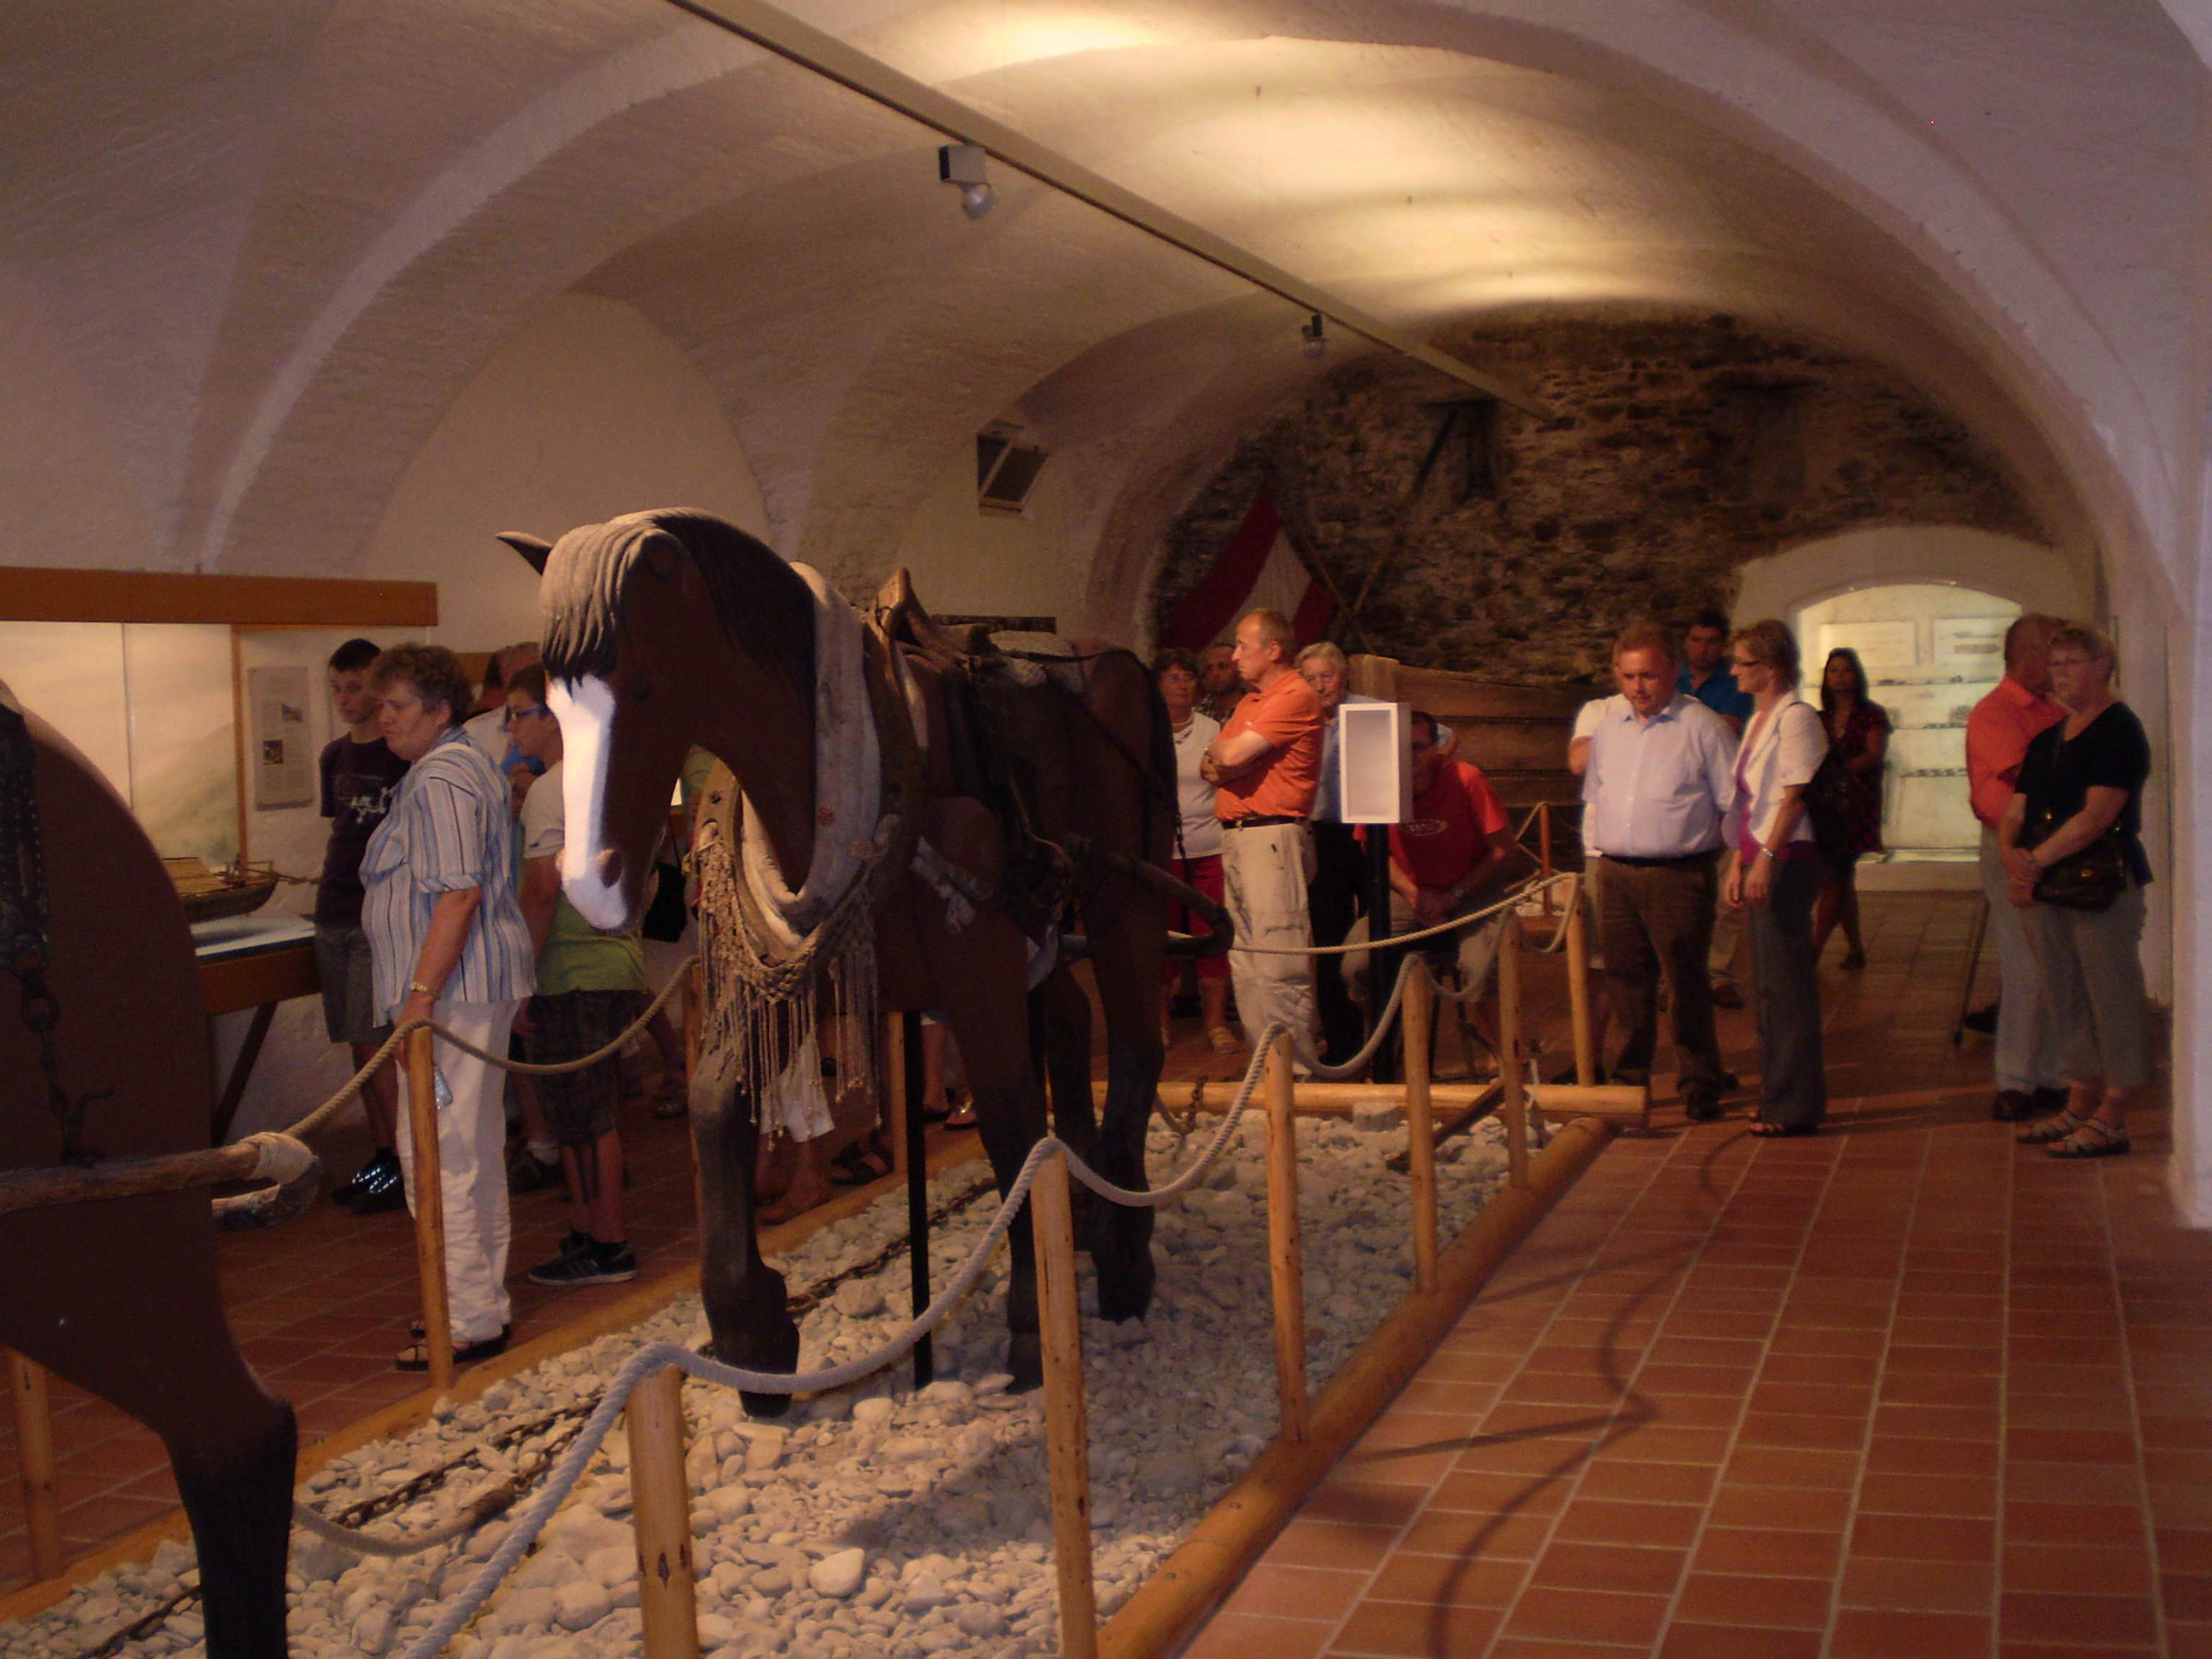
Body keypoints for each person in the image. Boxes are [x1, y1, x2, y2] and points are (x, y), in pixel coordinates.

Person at [361, 644, 536, 1370]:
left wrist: (419, 998)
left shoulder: (442, 778)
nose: (384, 720)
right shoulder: (455, 769)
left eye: (396, 706)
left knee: (437, 1153)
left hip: (454, 994)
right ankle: (478, 1304)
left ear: (438, 709)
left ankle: (463, 1316)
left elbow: (457, 894)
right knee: (468, 1149)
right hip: (467, 989)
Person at [505, 666, 644, 1287]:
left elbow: (539, 890)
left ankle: (608, 1242)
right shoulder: (613, 774)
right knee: (583, 1110)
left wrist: (522, 978)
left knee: (584, 1116)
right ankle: (592, 1229)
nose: (511, 726)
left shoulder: (549, 789)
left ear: (553, 715)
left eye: (520, 713)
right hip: (615, 959)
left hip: (571, 964)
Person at [2001, 622, 2153, 1159]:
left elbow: (2096, 816)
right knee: (2065, 994)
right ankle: (2080, 1094)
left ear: (2101, 668)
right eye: (2055, 664)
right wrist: (2013, 859)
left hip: (2099, 883)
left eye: (2071, 664)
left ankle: (2115, 1108)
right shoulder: (2048, 738)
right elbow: (2015, 811)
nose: (2059, 674)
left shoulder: (2118, 730)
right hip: (2045, 884)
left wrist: (2032, 864)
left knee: (2109, 992)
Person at [1583, 621, 1737, 1120]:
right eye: (1628, 677)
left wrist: (1733, 867)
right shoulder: (1608, 729)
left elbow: (1732, 803)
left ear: (1673, 671)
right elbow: (1597, 795)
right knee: (1626, 979)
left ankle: (1699, 1079)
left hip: (1678, 873)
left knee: (1686, 980)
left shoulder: (1703, 727)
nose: (1637, 688)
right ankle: (1631, 1079)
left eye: (1648, 676)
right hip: (1617, 871)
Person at [1343, 710, 1516, 1061]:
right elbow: (1372, 850)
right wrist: (1413, 894)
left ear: (1436, 747)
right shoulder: (1376, 783)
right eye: (1400, 751)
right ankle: (1381, 1052)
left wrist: (1453, 896)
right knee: (1356, 964)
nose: (1411, 760)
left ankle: (1505, 1058)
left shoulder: (1466, 779)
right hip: (1412, 891)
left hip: (1470, 888)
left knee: (1479, 966)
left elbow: (1502, 850)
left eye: (1418, 748)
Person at [1721, 621, 1830, 1136]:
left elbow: (1794, 795)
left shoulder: (1796, 717)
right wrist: (1737, 861)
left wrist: (1764, 857)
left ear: (1772, 667)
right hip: (1761, 850)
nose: (1734, 670)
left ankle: (1795, 1103)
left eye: (1744, 662)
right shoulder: (1759, 718)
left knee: (1786, 986)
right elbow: (1750, 800)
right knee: (1767, 985)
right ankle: (1777, 1094)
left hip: (1788, 855)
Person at [313, 639, 410, 1213]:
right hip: (336, 905)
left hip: (381, 913)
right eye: (337, 688)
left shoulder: (400, 756)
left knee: (376, 1041)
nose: (346, 700)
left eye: (355, 687)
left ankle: (404, 1158)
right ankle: (383, 1153)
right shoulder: (335, 757)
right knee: (356, 1041)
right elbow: (341, 829)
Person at [1202, 608, 1323, 1056]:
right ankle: (1265, 1070)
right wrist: (1229, 756)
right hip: (1237, 835)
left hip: (1271, 837)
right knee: (1246, 961)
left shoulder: (1293, 695)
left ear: (1274, 650)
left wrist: (1228, 754)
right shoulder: (1252, 702)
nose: (1234, 656)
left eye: (1242, 647)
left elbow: (1227, 757)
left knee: (1278, 963)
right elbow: (1210, 766)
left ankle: (1296, 1073)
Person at [1964, 614, 2071, 1122]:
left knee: (2053, 960)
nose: (2058, 666)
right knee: (2024, 963)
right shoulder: (1995, 711)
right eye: (2054, 654)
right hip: (2013, 845)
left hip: (2054, 844)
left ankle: (2050, 1075)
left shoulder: (2053, 711)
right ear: (2030, 654)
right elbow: (2028, 779)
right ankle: (2015, 1080)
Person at [1155, 649, 1236, 1053]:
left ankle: (1216, 1021)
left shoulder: (1211, 730)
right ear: (1158, 685)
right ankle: (1160, 1021)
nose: (1183, 684)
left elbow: (1226, 779)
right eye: (1173, 677)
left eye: (1188, 676)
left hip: (1208, 847)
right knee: (1162, 940)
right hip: (1161, 854)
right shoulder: (1145, 729)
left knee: (1211, 936)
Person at [1297, 641, 1373, 1064]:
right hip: (1322, 836)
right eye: (1309, 678)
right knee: (1328, 941)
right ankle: (1343, 1045)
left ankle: (1388, 1038)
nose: (1319, 685)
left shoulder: (1369, 710)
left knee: (1381, 933)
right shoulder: (1299, 718)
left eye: (1326, 676)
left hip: (1371, 833)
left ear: (1343, 676)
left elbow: (1442, 738)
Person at [1678, 607, 1752, 1010]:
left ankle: (1718, 973)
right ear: (1687, 642)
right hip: (1684, 797)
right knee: (1683, 894)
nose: (1703, 649)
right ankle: (1677, 976)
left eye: (1711, 642)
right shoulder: (1673, 678)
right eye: (1697, 640)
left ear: (1721, 645)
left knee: (1726, 891)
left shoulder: (1735, 681)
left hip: (1722, 796)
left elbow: (1732, 726)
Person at [1806, 647, 1889, 968]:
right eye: (1834, 670)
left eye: (1846, 670)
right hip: (1828, 806)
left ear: (1857, 675)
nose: (1840, 676)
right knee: (1841, 879)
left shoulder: (1872, 715)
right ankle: (1855, 949)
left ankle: (1813, 950)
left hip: (1857, 803)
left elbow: (1874, 754)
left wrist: (1838, 770)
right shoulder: (1819, 717)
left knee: (1836, 876)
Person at [1196, 640, 1247, 725]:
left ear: (1239, 668)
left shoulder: (1255, 710)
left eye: (1222, 666)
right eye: (1210, 668)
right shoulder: (1197, 713)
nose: (1215, 673)